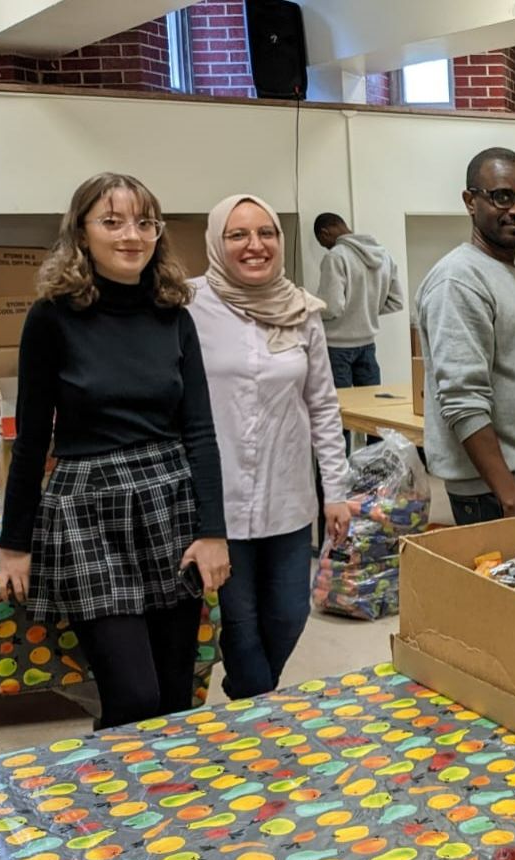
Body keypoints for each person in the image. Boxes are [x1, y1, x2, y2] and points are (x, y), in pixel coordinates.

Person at [0, 172, 230, 729]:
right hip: (87, 510)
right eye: (112, 221)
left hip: (169, 503)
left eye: (145, 222)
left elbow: (200, 431)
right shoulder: (51, 317)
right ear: (81, 232)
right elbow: (31, 439)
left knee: (175, 696)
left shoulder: (174, 313)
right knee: (133, 697)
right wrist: (14, 544)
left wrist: (213, 531)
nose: (132, 235)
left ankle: (166, 784)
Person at [190, 194, 354, 700]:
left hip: (287, 498)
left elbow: (322, 405)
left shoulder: (301, 309)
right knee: (240, 626)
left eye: (266, 233)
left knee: (288, 615)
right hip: (218, 504)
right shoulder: (187, 305)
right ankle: (257, 713)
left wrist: (336, 490)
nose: (254, 245)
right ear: (216, 242)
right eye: (237, 234)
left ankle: (249, 699)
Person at [416, 147, 515, 522]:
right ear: (470, 201)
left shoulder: (507, 272)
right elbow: (463, 401)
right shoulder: (458, 280)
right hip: (499, 496)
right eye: (502, 196)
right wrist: (511, 500)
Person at [313, 212, 406, 388]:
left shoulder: (335, 256)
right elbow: (396, 301)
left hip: (336, 346)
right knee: (371, 402)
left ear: (324, 233)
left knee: (342, 403)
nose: (326, 247)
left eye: (323, 243)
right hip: (368, 344)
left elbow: (332, 307)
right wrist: (367, 309)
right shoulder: (384, 255)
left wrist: (310, 308)